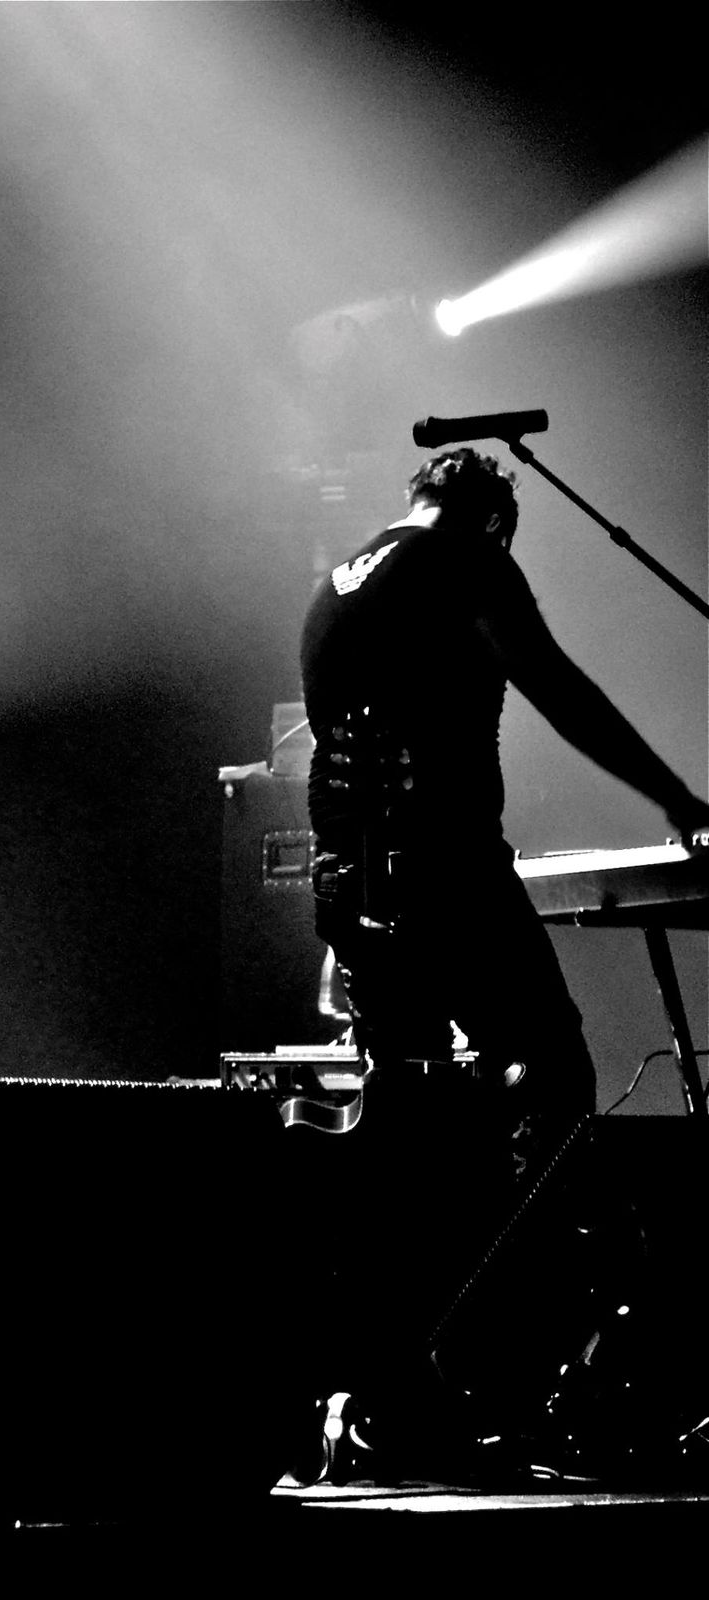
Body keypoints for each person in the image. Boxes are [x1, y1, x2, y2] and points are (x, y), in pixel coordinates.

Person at [295, 445, 709, 1481]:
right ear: (494, 521)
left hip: (353, 882)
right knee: (551, 1078)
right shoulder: (468, 563)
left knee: (410, 1123)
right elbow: (559, 687)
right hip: (447, 873)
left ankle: (396, 1391)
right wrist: (681, 802)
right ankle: (522, 1363)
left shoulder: (336, 583)